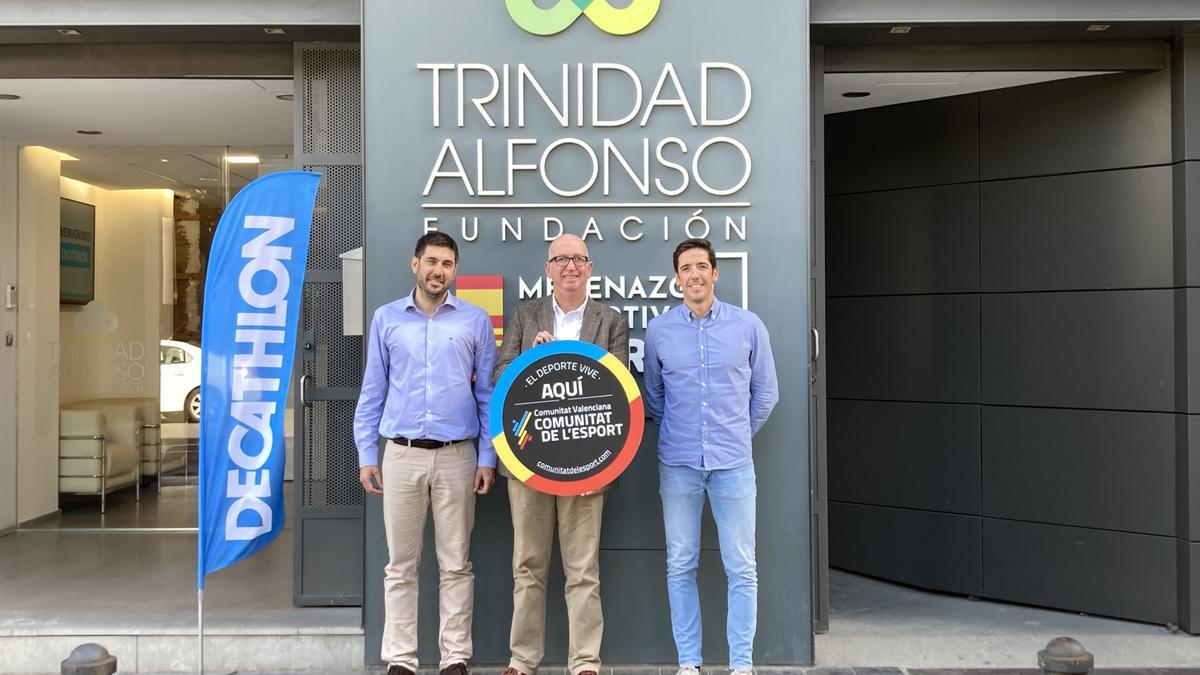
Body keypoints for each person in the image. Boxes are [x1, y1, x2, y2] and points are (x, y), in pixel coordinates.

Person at [354, 231, 498, 675]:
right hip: (401, 455)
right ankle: (402, 659)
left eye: (448, 264)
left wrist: (487, 458)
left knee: (456, 563)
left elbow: (488, 396)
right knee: (400, 565)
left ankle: (455, 658)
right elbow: (373, 389)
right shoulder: (387, 318)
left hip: (459, 456)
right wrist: (366, 453)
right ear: (414, 264)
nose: (439, 271)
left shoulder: (475, 320)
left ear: (455, 271)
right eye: (432, 261)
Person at [643, 238, 779, 675]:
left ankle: (742, 664)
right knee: (681, 564)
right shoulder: (660, 331)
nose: (695, 274)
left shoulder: (748, 326)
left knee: (742, 567)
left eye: (702, 266)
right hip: (678, 465)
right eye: (686, 268)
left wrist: (734, 433)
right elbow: (654, 398)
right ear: (677, 277)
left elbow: (766, 394)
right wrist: (686, 431)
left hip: (733, 466)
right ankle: (690, 664)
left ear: (715, 273)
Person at [494, 234, 629, 675]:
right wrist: (527, 361)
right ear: (548, 269)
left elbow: (620, 389)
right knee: (527, 566)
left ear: (590, 267)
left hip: (588, 465)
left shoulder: (610, 321)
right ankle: (522, 660)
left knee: (583, 569)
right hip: (528, 463)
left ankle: (585, 663)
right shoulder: (523, 316)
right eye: (561, 259)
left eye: (578, 259)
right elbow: (498, 378)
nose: (570, 266)